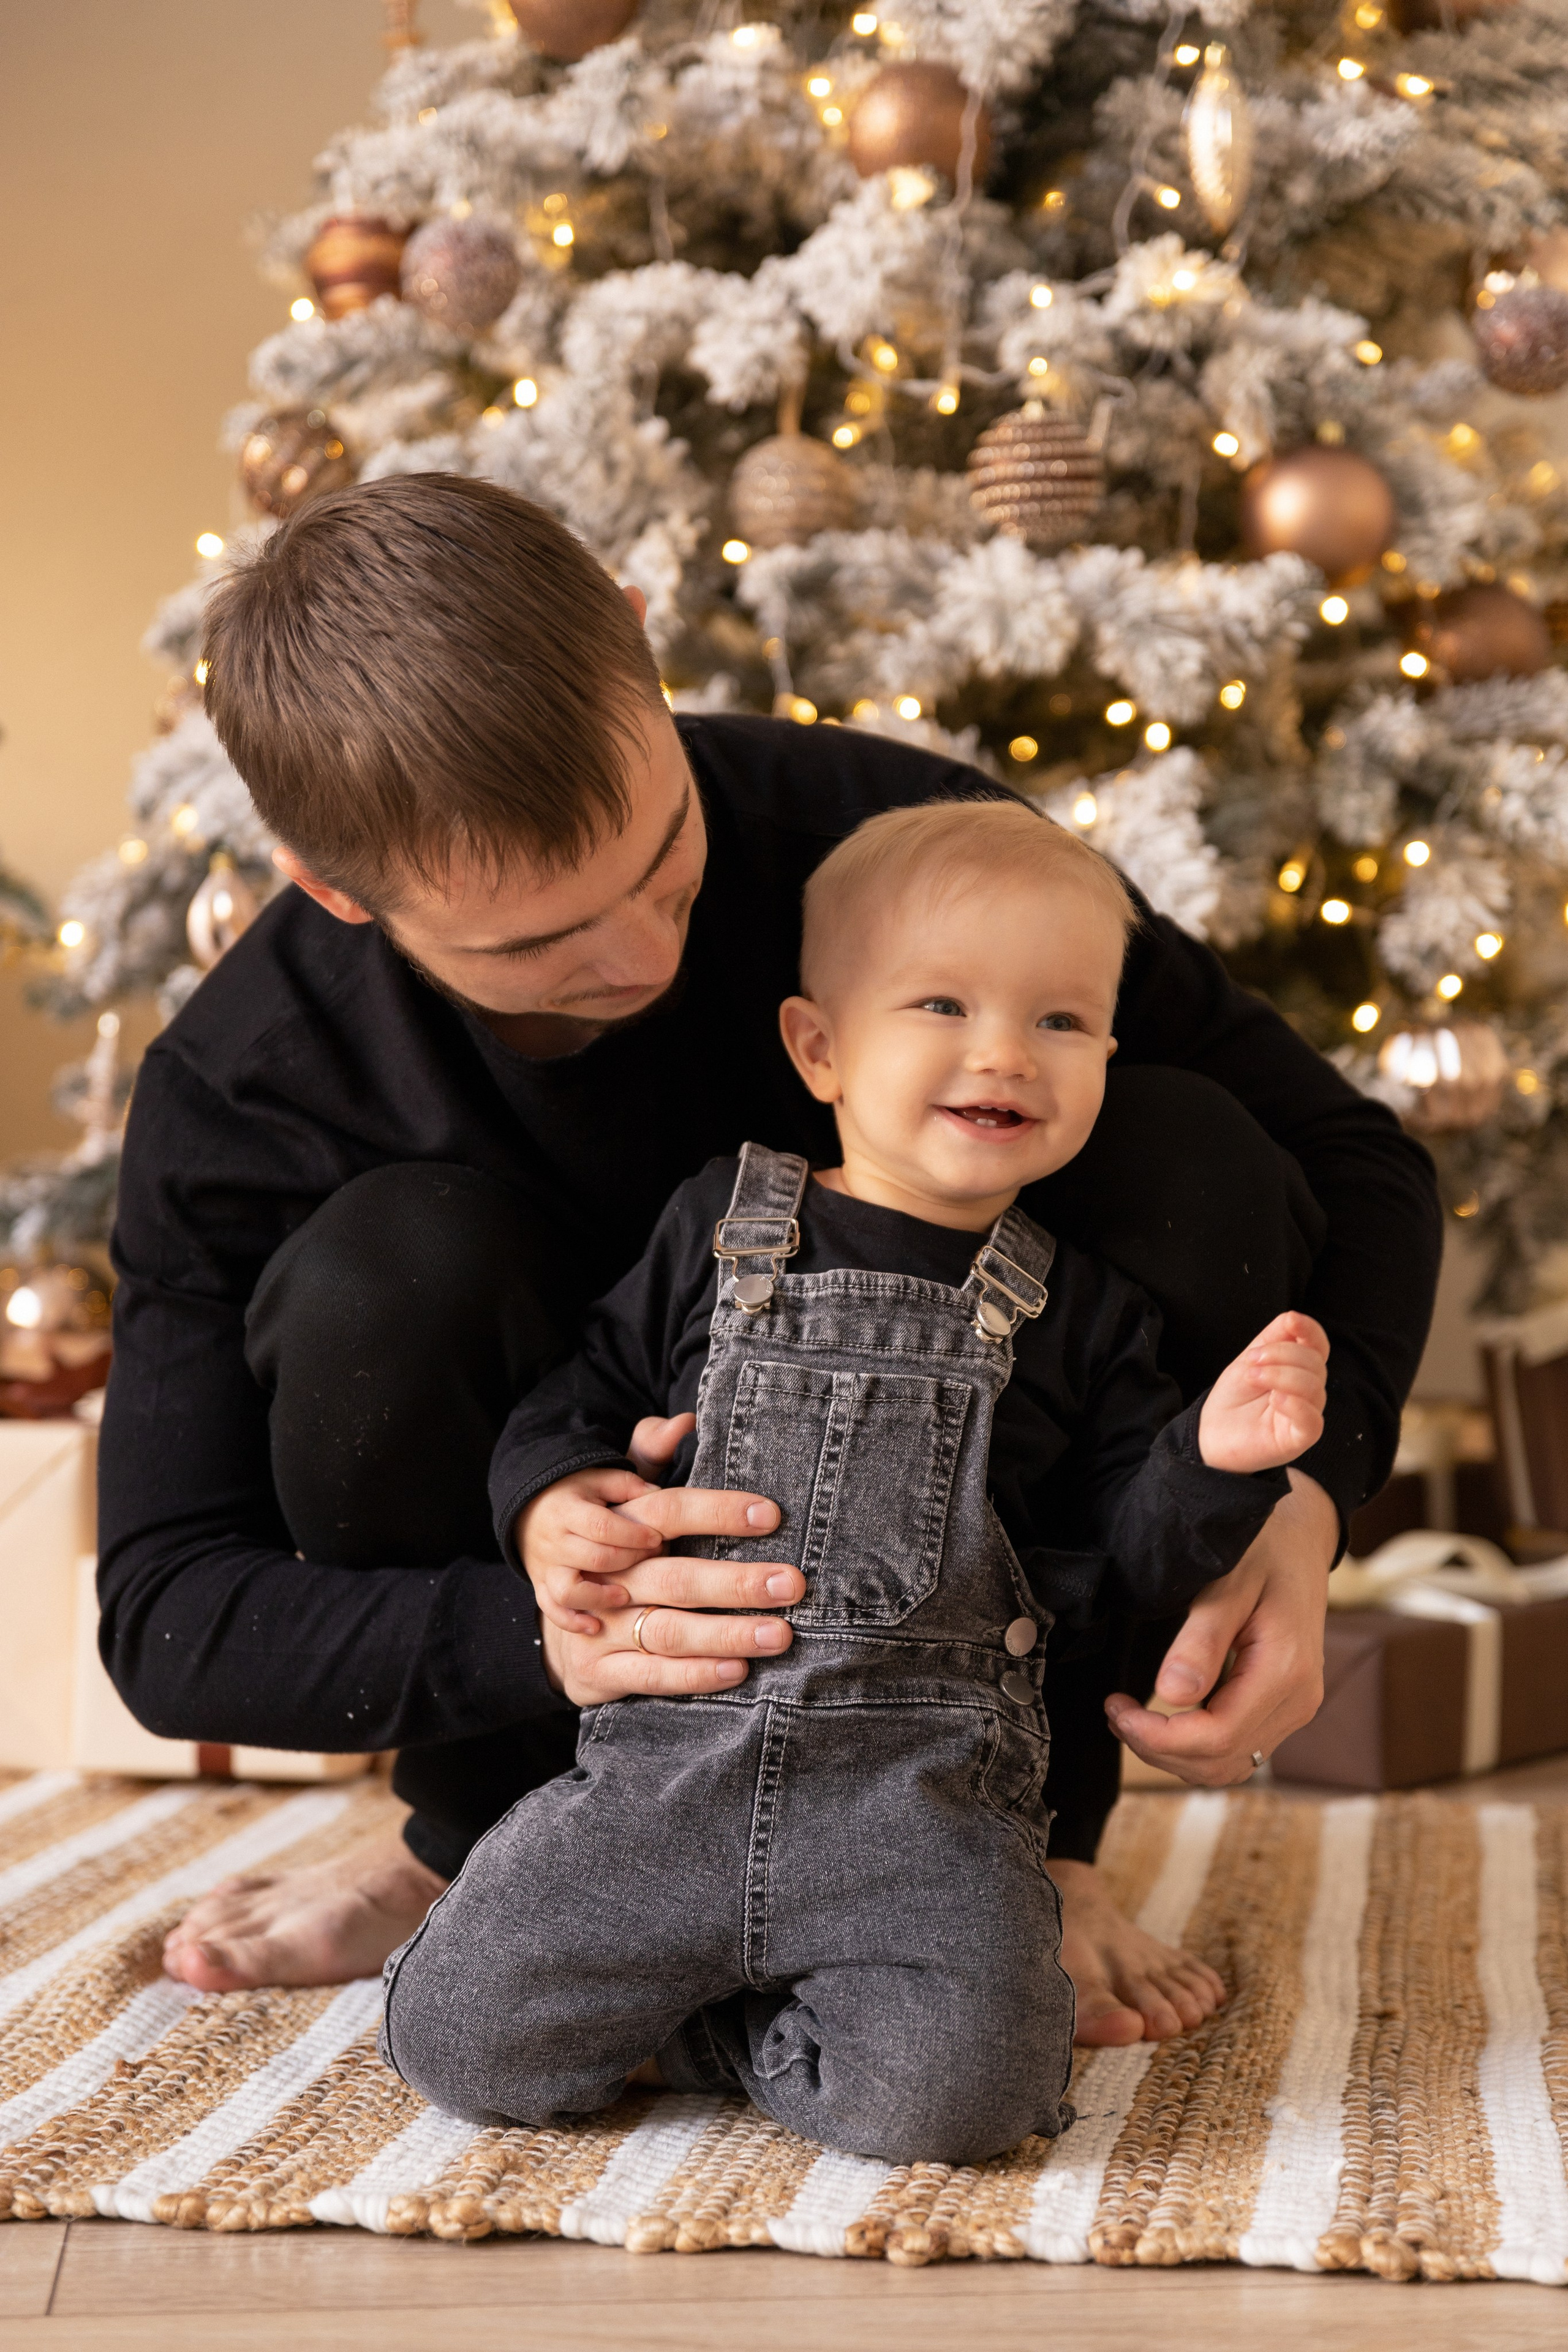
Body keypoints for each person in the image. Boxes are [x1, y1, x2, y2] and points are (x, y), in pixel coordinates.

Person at [100, 475, 1439, 2043]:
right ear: (337, 892)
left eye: (661, 859)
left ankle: (1034, 1847)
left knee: (1183, 1145)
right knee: (389, 1263)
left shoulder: (896, 843)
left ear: (645, 655)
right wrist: (549, 1630)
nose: (637, 959)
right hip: (554, 1556)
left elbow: (1359, 1163)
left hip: (989, 1545)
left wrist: (1303, 1495)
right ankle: (481, 1844)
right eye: (532, 947)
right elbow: (171, 1614)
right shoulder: (253, 1074)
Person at [379, 801, 1331, 2160]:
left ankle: (731, 2027)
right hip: (666, 1778)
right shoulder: (721, 1222)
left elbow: (1131, 1559)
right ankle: (710, 2002)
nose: (1003, 1050)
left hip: (924, 1823)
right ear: (818, 1047)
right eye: (940, 1003)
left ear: (1107, 1058)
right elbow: (578, 1393)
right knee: (456, 2040)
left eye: (1060, 1022)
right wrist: (552, 1498)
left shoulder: (1083, 1313)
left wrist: (1219, 1465)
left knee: (973, 2100)